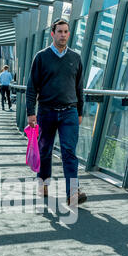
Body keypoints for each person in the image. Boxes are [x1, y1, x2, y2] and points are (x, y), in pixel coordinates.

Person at [26, 18, 87, 206]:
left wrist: (79, 111)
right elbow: (32, 87)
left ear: (69, 34)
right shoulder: (41, 57)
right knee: (45, 150)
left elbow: (79, 88)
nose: (63, 35)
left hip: (69, 111)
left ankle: (72, 193)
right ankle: (43, 182)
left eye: (66, 32)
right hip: (46, 111)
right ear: (53, 34)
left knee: (69, 151)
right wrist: (30, 112)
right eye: (59, 31)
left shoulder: (75, 58)